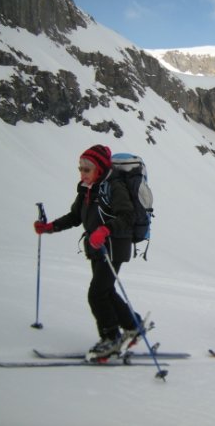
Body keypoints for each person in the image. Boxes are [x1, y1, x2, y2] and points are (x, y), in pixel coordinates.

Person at [33, 144, 143, 360]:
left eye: (87, 169)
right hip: (97, 248)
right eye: (80, 169)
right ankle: (133, 325)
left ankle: (110, 338)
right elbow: (76, 217)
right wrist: (50, 227)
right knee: (106, 291)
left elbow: (127, 217)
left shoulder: (115, 186)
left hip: (114, 247)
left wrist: (105, 229)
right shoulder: (87, 189)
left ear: (99, 169)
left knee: (97, 294)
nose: (82, 173)